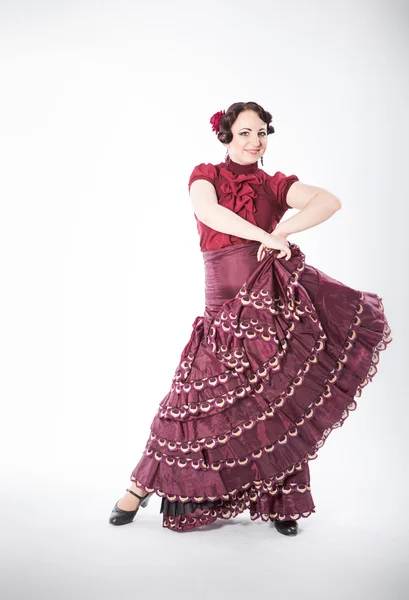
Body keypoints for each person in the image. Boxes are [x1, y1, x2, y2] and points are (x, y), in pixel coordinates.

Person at [109, 101, 392, 535]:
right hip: (222, 305)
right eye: (245, 133)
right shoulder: (206, 174)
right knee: (188, 401)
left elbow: (329, 202)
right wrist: (265, 234)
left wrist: (283, 233)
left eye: (261, 132)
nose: (255, 141)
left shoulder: (273, 183)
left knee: (276, 400)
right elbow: (209, 213)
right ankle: (139, 486)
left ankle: (283, 502)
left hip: (267, 303)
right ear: (226, 135)